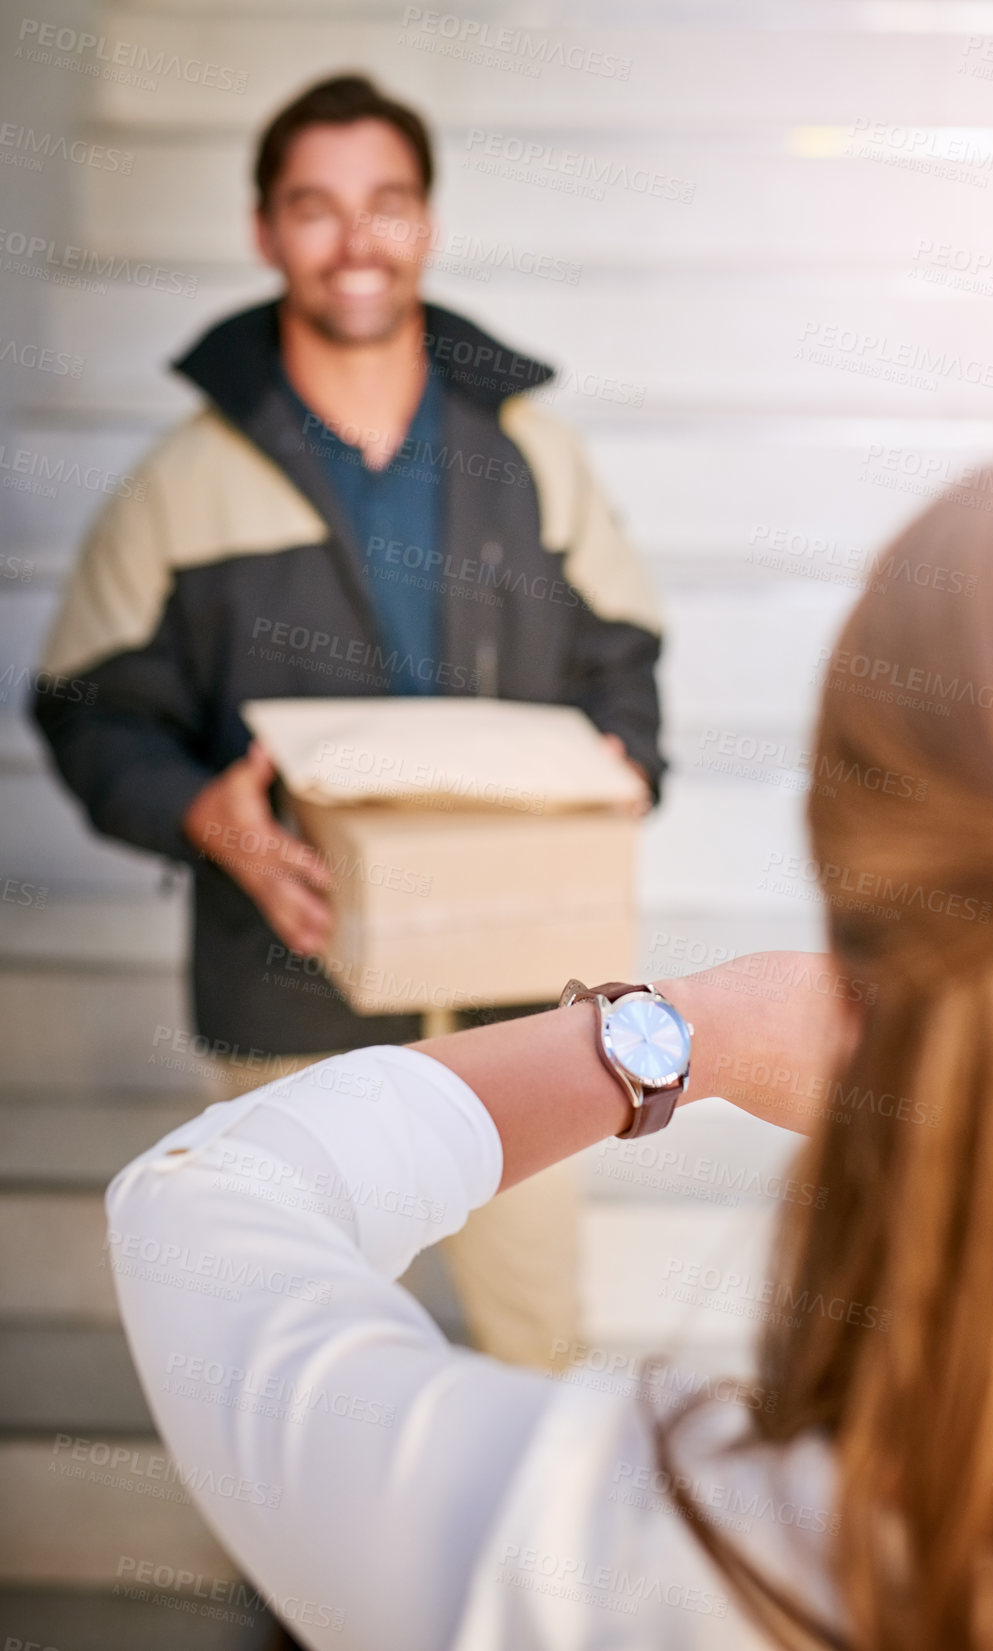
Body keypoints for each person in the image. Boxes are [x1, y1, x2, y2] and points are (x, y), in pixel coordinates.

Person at [106, 437, 993, 1649]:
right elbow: (99, 710)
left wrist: (697, 1026)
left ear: (844, 863)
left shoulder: (616, 1555)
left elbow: (204, 1206)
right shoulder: (183, 484)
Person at [33, 74, 666, 1374]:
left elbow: (624, 656)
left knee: (536, 1360)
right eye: (314, 210)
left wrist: (623, 766)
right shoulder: (183, 484)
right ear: (265, 231)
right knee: (279, 1372)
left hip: (521, 1006)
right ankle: (300, 1592)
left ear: (426, 223)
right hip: (288, 1007)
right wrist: (196, 809)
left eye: (385, 205)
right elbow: (89, 709)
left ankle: (519, 1586)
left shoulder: (527, 456)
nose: (355, 240)